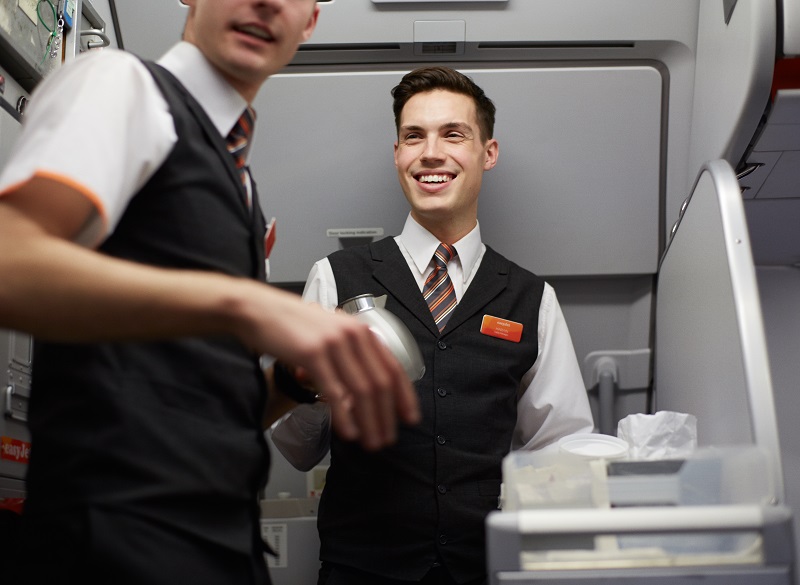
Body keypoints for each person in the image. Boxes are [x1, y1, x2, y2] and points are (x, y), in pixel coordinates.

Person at [0, 1, 419, 584]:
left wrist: (295, 381)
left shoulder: (243, 190)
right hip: (112, 541)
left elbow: (206, 408)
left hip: (220, 546)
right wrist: (244, 303)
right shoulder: (122, 87)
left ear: (310, 24)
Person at [271, 66, 595, 585]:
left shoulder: (532, 298)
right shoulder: (336, 280)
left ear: (488, 153)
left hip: (487, 570)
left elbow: (557, 446)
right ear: (397, 154)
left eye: (453, 134)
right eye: (412, 136)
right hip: (362, 569)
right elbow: (296, 447)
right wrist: (310, 385)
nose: (430, 153)